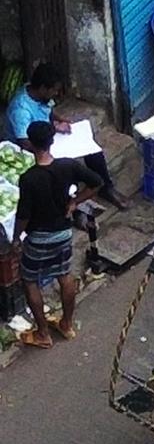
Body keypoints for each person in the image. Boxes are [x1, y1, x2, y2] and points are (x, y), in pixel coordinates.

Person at [12, 120, 100, 349]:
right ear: (52, 141)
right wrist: (75, 201)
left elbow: (23, 215)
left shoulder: (29, 178)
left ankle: (42, 333)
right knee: (64, 274)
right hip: (62, 232)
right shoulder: (68, 166)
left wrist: (15, 239)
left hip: (39, 237)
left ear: (30, 144)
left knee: (30, 281)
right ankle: (67, 324)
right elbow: (96, 182)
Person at [6, 63, 121, 205]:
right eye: (54, 90)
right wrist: (51, 135)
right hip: (32, 147)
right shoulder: (21, 110)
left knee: (92, 149)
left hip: (47, 136)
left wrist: (60, 120)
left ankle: (106, 187)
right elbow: (24, 142)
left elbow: (48, 110)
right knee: (64, 166)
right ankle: (74, 203)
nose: (55, 94)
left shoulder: (39, 94)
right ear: (43, 88)